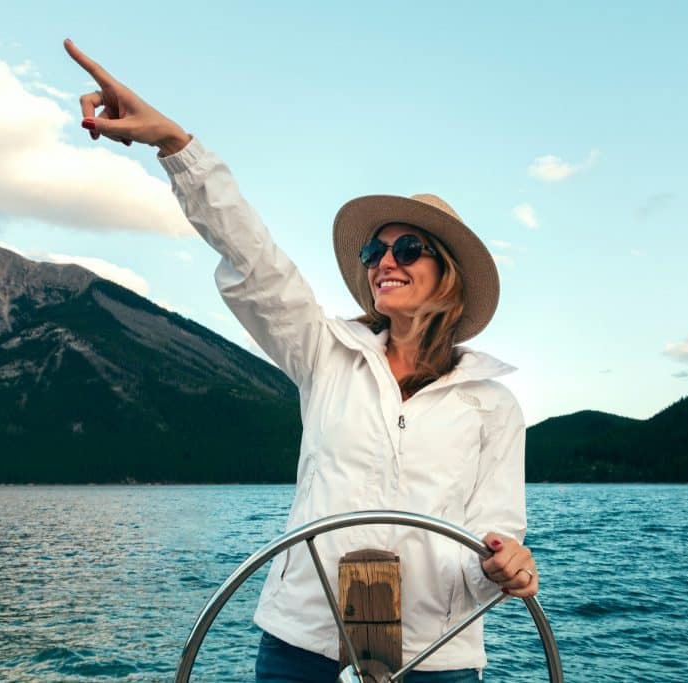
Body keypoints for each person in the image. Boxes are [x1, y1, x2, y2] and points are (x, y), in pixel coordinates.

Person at [64, 40, 539, 681]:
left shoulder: (492, 404)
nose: (385, 260)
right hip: (304, 642)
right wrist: (176, 145)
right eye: (375, 249)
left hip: (436, 654)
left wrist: (507, 561)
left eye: (407, 247)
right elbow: (256, 263)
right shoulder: (326, 355)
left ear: (447, 275)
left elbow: (496, 531)